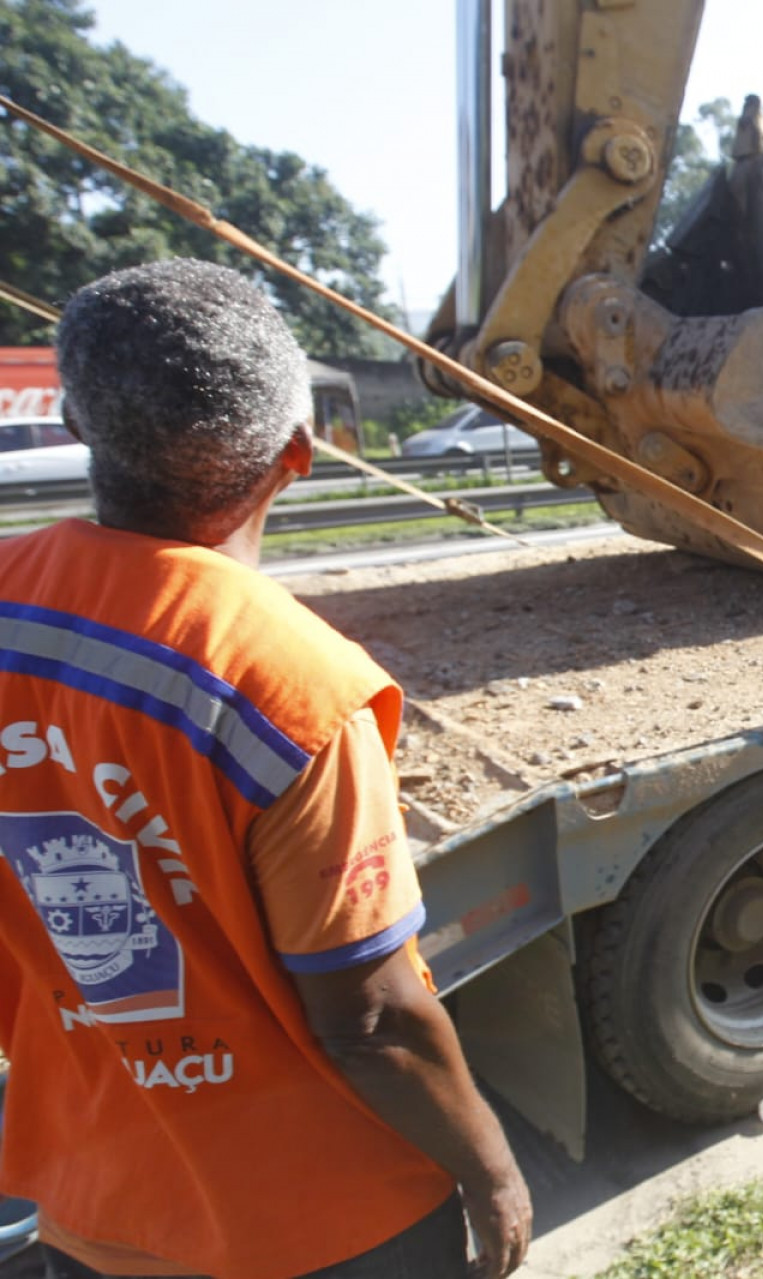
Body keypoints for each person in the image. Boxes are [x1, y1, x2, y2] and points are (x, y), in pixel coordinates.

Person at [0, 260, 531, 1279]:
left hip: (95, 1198)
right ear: (297, 453)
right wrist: (492, 1169)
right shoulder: (287, 687)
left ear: (76, 420)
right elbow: (370, 1016)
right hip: (318, 1227)